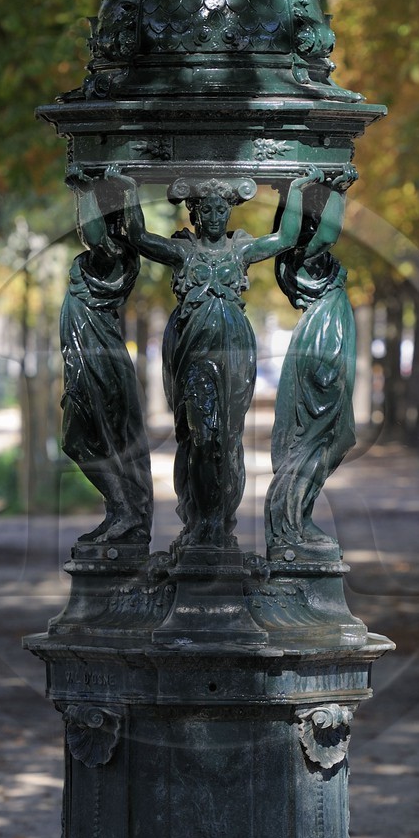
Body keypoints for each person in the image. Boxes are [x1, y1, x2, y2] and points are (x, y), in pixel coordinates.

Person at [114, 170, 314, 550]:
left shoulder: (240, 251)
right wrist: (127, 191)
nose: (215, 216)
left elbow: (286, 238)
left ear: (229, 212)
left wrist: (298, 190)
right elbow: (139, 237)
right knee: (202, 437)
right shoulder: (184, 253)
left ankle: (219, 522)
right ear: (196, 214)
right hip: (196, 358)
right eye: (207, 209)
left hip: (235, 357)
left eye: (221, 209)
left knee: (228, 440)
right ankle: (202, 519)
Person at [265, 166, 358, 555]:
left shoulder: (305, 260)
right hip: (324, 342)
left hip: (327, 336)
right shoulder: (303, 259)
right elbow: (329, 233)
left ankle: (297, 515)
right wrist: (338, 191)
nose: (319, 220)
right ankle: (292, 520)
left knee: (332, 436)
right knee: (320, 435)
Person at [60, 165, 153, 548]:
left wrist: (85, 190)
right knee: (87, 437)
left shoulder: (115, 255)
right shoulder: (109, 254)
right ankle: (120, 510)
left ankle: (125, 509)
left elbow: (94, 235)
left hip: (96, 359)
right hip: (87, 356)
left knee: (81, 437)